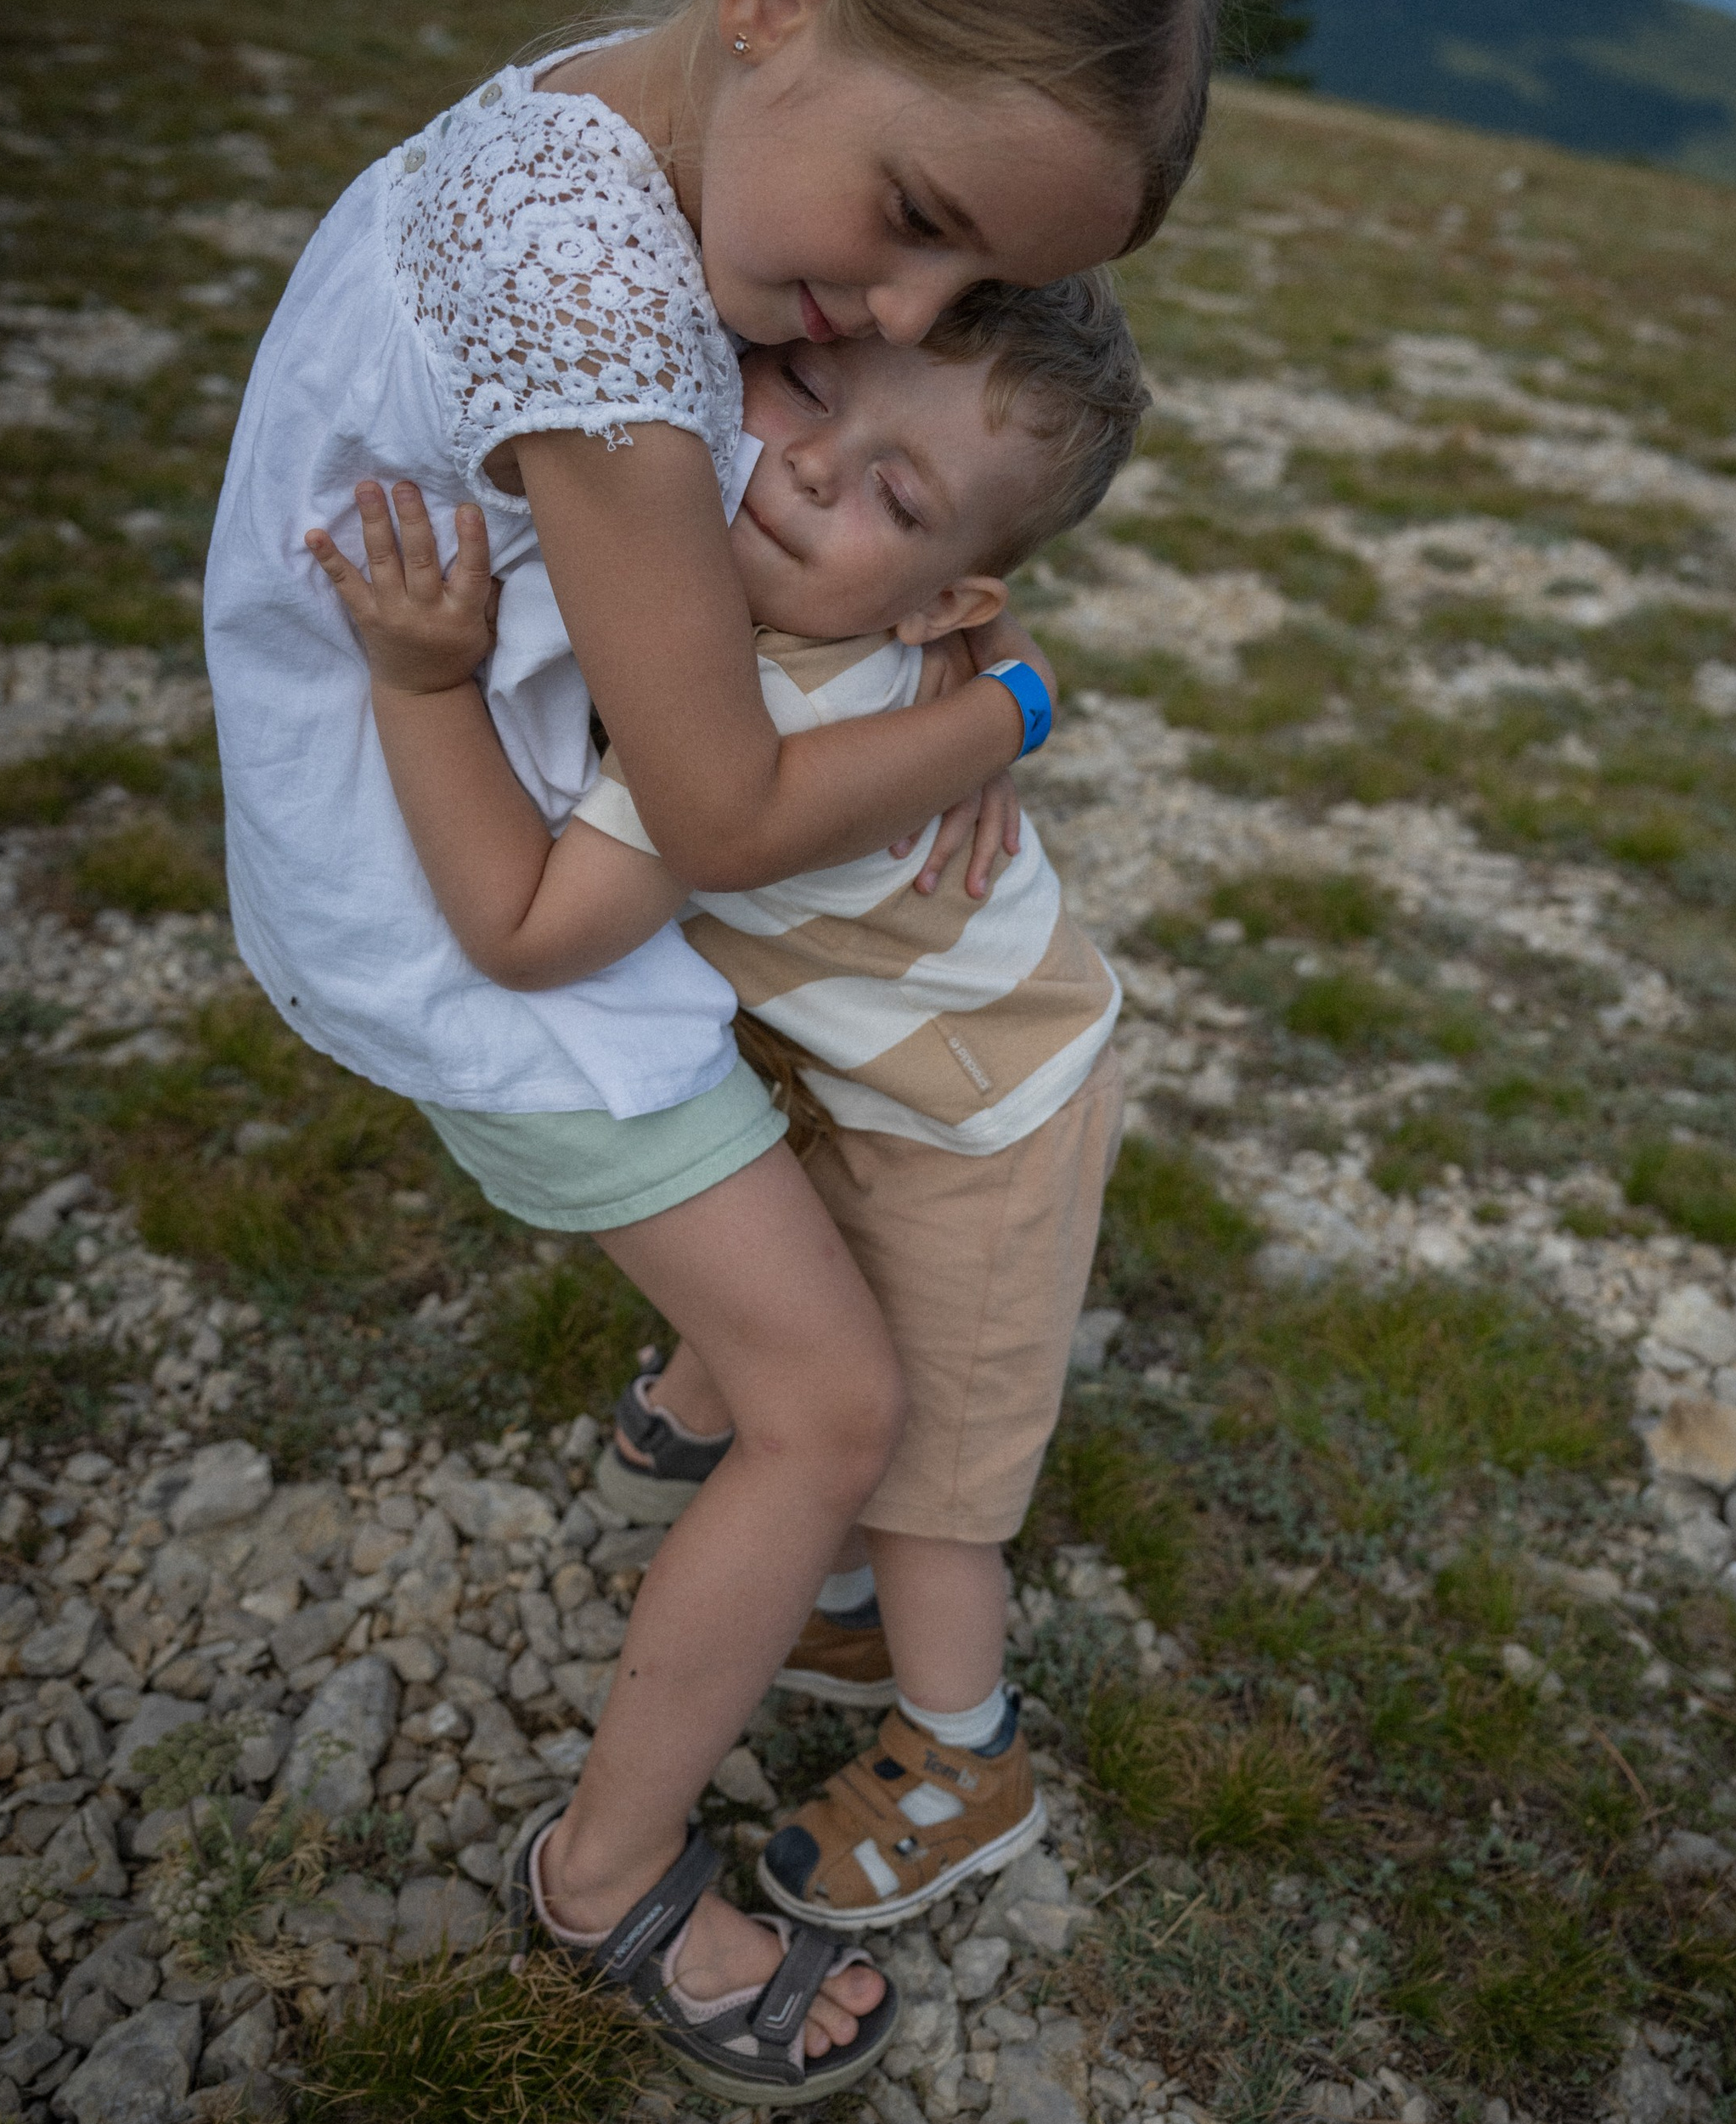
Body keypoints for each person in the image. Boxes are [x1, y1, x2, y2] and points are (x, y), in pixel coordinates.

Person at [206, 0, 1220, 2104]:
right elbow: (734, 810)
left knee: (813, 1174)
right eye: (915, 217)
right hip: (467, 887)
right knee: (838, 1395)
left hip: (424, 788)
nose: (887, 314)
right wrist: (1012, 709)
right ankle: (611, 1884)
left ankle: (708, 1398)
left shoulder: (602, 126)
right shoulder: (619, 357)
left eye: (974, 275)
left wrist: (920, 595)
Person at [309, 280, 1142, 1947]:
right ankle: (823, 1616)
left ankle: (961, 1755)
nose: (810, 467)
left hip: (988, 1120)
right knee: (825, 1317)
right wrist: (1004, 673)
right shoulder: (797, 609)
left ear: (944, 599)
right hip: (878, 1074)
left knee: (928, 1483)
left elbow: (531, 930)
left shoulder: (762, 714)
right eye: (804, 383)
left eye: (894, 499)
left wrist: (424, 690)